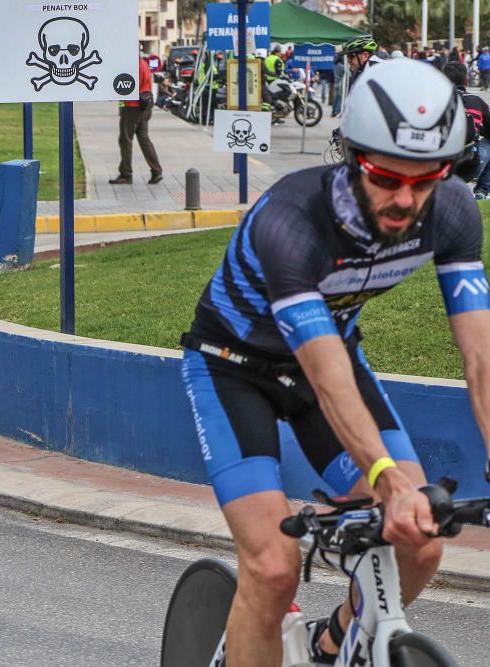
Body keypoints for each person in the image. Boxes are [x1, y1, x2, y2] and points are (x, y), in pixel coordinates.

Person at [179, 59, 490, 666]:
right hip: (231, 368)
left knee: (421, 546)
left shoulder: (453, 211)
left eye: (427, 179)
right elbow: (322, 372)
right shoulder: (293, 222)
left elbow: (480, 356)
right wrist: (389, 483)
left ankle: (329, 644)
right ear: (352, 157)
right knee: (272, 568)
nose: (407, 199)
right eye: (386, 176)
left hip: (332, 359)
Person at [109, 50, 163, 185]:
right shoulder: (144, 63)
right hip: (145, 106)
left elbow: (129, 86)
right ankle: (156, 171)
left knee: (125, 140)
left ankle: (126, 174)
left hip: (132, 106)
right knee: (144, 139)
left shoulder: (133, 66)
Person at [443, 62, 490, 198]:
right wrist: (477, 129)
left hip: (438, 166)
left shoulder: (435, 100)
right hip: (469, 166)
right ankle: (482, 189)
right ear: (465, 79)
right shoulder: (476, 101)